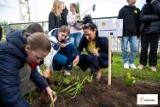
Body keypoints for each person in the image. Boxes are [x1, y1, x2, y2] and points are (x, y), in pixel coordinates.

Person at [0, 30, 56, 107]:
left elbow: (34, 72)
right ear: (27, 48)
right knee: (26, 69)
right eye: (37, 57)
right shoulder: (8, 56)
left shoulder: (23, 49)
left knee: (33, 83)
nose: (38, 61)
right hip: (5, 86)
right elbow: (11, 97)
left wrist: (46, 87)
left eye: (41, 59)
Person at [73, 15, 109, 80]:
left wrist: (99, 54)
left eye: (89, 34)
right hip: (92, 57)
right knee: (74, 56)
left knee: (91, 56)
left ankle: (99, 70)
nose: (87, 37)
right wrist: (77, 56)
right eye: (85, 35)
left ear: (94, 31)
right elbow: (79, 47)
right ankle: (93, 69)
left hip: (102, 60)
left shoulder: (102, 38)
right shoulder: (85, 37)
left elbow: (110, 54)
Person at [138, 0, 160, 72]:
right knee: (143, 48)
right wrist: (156, 17)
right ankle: (142, 64)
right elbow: (141, 17)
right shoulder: (145, 6)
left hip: (155, 31)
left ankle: (153, 65)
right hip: (145, 30)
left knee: (153, 49)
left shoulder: (158, 4)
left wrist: (155, 3)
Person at [118, 0, 140, 69]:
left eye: (135, 0)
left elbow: (139, 22)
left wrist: (139, 33)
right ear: (127, 0)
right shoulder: (122, 10)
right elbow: (119, 22)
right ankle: (126, 62)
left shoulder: (137, 10)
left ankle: (131, 62)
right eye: (132, 0)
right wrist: (119, 33)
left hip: (134, 33)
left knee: (134, 48)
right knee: (124, 48)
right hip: (124, 33)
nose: (133, 1)